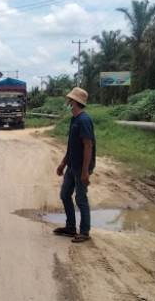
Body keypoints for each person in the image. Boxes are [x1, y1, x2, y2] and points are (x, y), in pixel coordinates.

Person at [53, 87, 96, 243]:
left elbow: (88, 145)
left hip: (81, 167)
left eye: (70, 100)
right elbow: (72, 146)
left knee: (80, 198)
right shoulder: (74, 119)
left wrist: (85, 171)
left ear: (75, 102)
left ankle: (85, 232)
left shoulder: (84, 120)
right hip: (72, 165)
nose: (68, 102)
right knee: (65, 195)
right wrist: (63, 163)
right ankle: (70, 227)